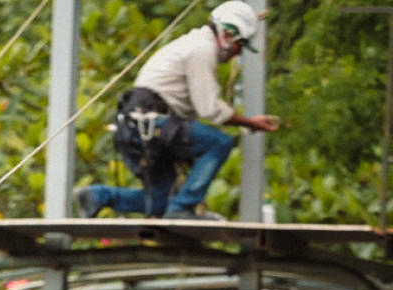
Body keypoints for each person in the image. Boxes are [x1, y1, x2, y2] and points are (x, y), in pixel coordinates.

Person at [76, 1, 281, 221]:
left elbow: (190, 118)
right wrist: (250, 123)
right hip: (150, 124)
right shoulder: (202, 49)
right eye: (240, 46)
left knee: (160, 202)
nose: (238, 54)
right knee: (219, 143)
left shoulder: (192, 44)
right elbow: (210, 109)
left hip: (138, 127)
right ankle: (183, 206)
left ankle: (98, 196)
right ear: (228, 35)